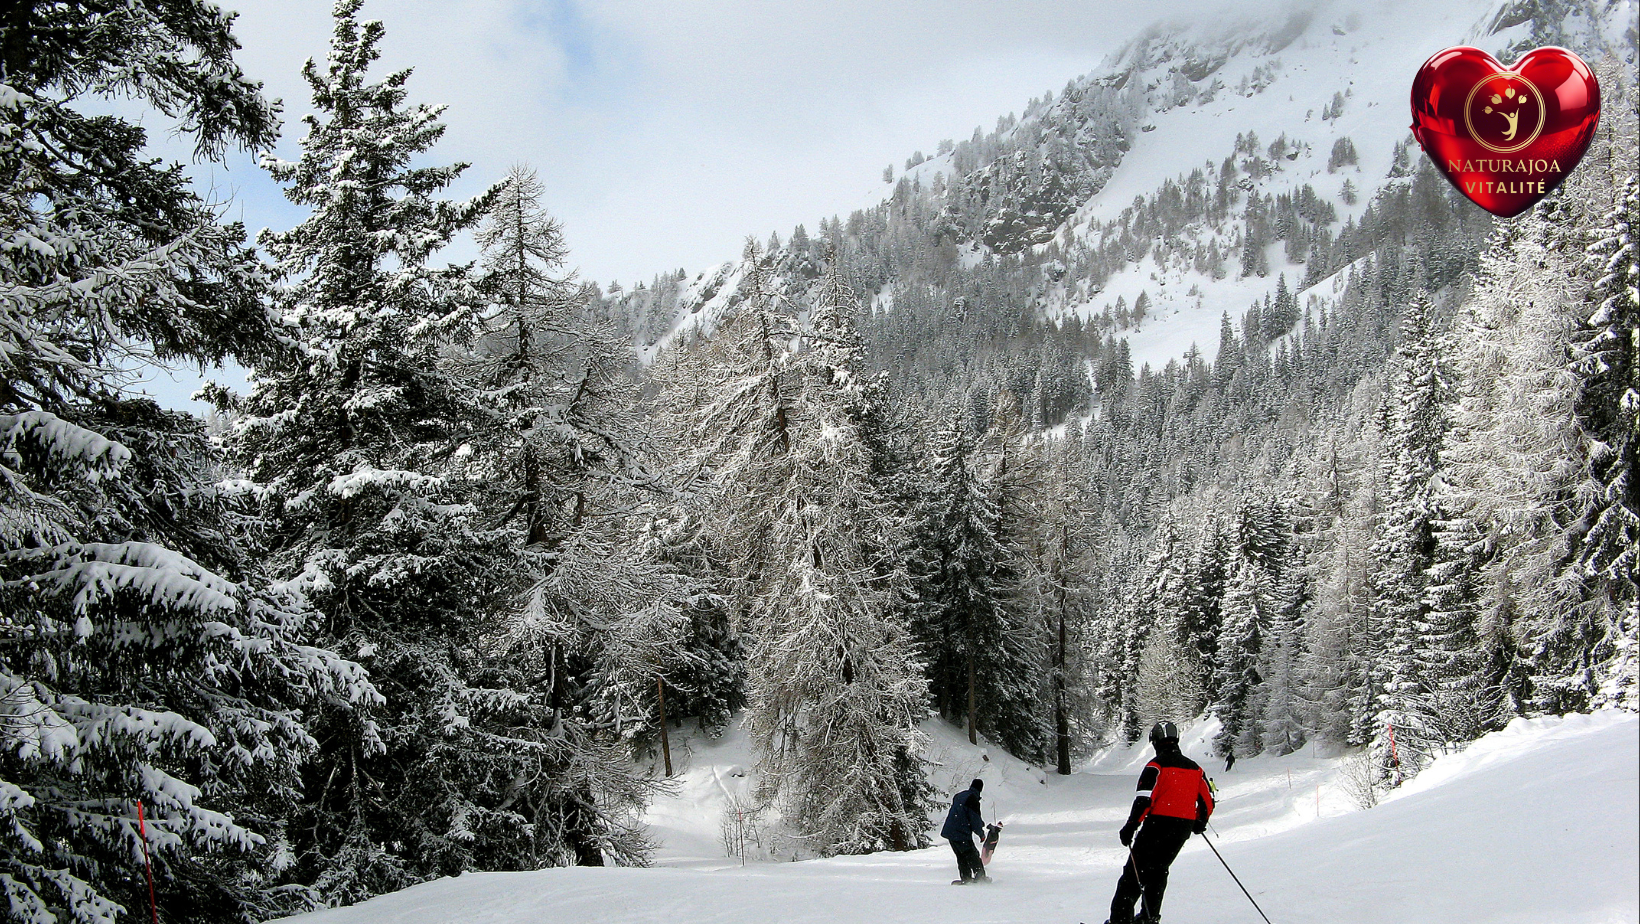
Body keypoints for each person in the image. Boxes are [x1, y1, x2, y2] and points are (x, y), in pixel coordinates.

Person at [1104, 721, 1214, 924]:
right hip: (1182, 828)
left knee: (1133, 876)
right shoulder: (1195, 768)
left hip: (1157, 824)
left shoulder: (1155, 766)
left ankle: (1120, 920)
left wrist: (1131, 826)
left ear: (1155, 741)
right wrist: (1200, 821)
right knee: (1159, 871)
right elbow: (1208, 799)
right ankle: (1149, 917)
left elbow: (1144, 799)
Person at [940, 778, 989, 884]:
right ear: (980, 789)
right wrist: (981, 834)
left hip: (950, 831)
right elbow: (974, 819)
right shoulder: (973, 800)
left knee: (961, 856)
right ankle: (981, 878)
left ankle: (966, 878)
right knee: (972, 854)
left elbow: (963, 813)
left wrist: (980, 822)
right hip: (961, 832)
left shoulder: (960, 795)